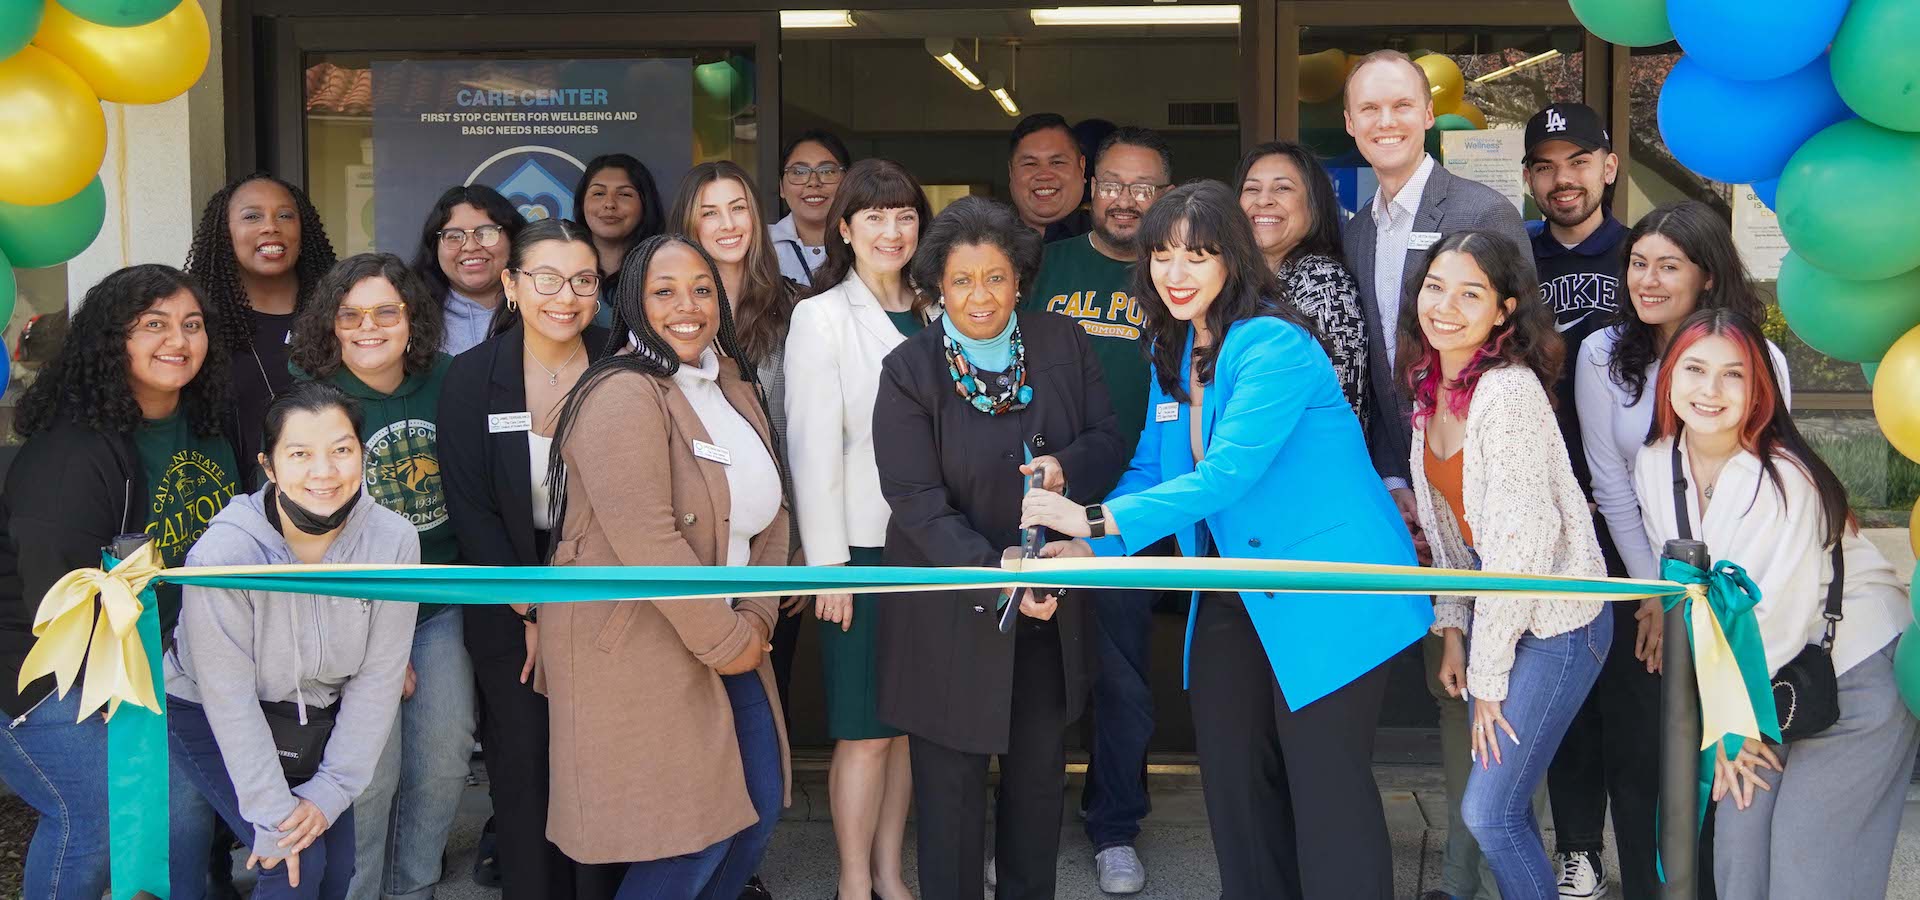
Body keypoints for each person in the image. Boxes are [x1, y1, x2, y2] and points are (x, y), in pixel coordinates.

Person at [1022, 180, 1432, 900]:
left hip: (1327, 595)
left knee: (1326, 793)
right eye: (1161, 256)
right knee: (1237, 794)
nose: (1175, 274)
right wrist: (1090, 552)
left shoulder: (1274, 342)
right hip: (1231, 591)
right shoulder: (1175, 346)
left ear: (1233, 262)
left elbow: (1228, 474)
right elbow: (1151, 468)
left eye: (1197, 256)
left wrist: (1088, 522)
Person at [874, 196, 1126, 900]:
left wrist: (1065, 466)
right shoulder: (910, 369)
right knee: (949, 799)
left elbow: (1109, 439)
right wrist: (1001, 572)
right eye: (961, 281)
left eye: (994, 278)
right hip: (951, 606)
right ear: (937, 288)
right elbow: (916, 502)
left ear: (1019, 279)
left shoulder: (1062, 342)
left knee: (1037, 789)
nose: (979, 296)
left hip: (1047, 605)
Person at [1633, 309, 1917, 900]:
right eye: (1694, 369)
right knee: (1740, 858)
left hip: (1850, 669)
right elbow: (1690, 593)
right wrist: (1731, 728)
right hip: (1755, 683)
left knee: (1808, 869)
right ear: (1669, 377)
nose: (1710, 391)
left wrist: (1728, 730)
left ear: (1759, 387)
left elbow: (1775, 621)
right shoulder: (1657, 462)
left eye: (1733, 375)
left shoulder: (1784, 478)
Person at [1340, 51, 1535, 900]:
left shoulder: (1483, 210)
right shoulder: (1352, 226)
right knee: (1442, 670)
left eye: (1399, 107)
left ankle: (1472, 880)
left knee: (1485, 697)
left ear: (1429, 115)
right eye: (1367, 110)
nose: (1384, 122)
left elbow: (1523, 355)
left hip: (1480, 487)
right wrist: (1394, 478)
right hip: (1399, 489)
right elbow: (1373, 374)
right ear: (1349, 123)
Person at [539, 233, 789, 896]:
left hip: (732, 637)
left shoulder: (730, 381)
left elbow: (773, 507)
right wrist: (730, 639)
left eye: (702, 289)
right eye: (665, 290)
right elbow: (649, 541)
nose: (688, 305)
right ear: (633, 303)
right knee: (688, 841)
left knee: (753, 819)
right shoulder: (622, 392)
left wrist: (758, 617)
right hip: (645, 645)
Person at [0, 265, 238, 900]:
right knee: (100, 815)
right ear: (111, 339)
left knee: (183, 807)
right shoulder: (71, 451)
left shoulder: (213, 421)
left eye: (192, 325)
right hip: (50, 663)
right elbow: (59, 602)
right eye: (153, 325)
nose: (178, 340)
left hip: (168, 658)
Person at [1397, 230, 1610, 900]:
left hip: (1558, 626)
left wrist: (1488, 680)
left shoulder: (1508, 394)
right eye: (1435, 286)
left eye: (1470, 293)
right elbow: (1453, 542)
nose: (1446, 305)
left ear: (1505, 310)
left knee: (1491, 811)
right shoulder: (1430, 389)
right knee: (1493, 810)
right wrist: (1454, 628)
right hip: (1503, 619)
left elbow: (1517, 553)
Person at [166, 381, 421, 899]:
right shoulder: (224, 554)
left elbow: (378, 678)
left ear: (363, 455)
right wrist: (271, 812)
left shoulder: (393, 539)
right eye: (300, 454)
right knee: (293, 862)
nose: (324, 472)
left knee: (339, 867)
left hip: (317, 712)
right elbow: (228, 696)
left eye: (341, 451)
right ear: (269, 465)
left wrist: (332, 791)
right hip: (209, 709)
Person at [438, 219, 613, 899]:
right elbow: (471, 506)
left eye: (582, 280)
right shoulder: (471, 376)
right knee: (524, 760)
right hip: (506, 586)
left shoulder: (620, 361)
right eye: (545, 278)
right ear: (512, 285)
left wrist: (567, 604)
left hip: (604, 590)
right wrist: (531, 606)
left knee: (595, 758)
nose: (563, 296)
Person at [287, 253, 468, 900]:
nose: (370, 327)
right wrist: (376, 647)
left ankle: (412, 887)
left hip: (435, 606)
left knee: (445, 762)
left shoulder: (451, 381)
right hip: (351, 613)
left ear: (411, 319)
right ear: (331, 324)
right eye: (351, 314)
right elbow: (300, 530)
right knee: (369, 776)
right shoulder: (309, 398)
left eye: (386, 312)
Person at [1021, 125, 1172, 894]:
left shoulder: (1176, 276)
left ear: (1166, 198)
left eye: (1144, 188)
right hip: (1043, 504)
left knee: (1120, 681)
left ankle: (1115, 826)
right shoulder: (1047, 265)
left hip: (1127, 514)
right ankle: (1026, 836)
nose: (1126, 200)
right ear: (1089, 186)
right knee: (1039, 681)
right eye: (1112, 183)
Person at [783, 158, 931, 900]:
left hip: (930, 548)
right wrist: (829, 568)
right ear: (844, 228)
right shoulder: (821, 316)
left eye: (904, 214)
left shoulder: (937, 309)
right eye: (873, 215)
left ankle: (889, 872)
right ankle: (850, 879)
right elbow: (811, 449)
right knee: (863, 729)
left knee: (906, 727)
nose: (891, 229)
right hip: (862, 551)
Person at [1516, 102, 1640, 900]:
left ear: (1607, 167)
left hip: (1624, 501)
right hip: (1534, 503)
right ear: (1529, 177)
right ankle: (1579, 850)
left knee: (1628, 688)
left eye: (1577, 160)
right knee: (1560, 685)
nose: (1563, 178)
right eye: (1546, 165)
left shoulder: (1643, 254)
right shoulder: (1512, 257)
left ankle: (1651, 853)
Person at [186, 172, 338, 485]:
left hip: (334, 498)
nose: (271, 226)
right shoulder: (196, 326)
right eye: (252, 216)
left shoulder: (342, 315)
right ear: (224, 232)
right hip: (236, 511)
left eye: (285, 215)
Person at [1234, 140, 1369, 426]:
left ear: (1314, 204)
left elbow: (1338, 406)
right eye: (1252, 189)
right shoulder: (1237, 281)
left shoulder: (1323, 282)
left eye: (1282, 188)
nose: (1264, 200)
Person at [412, 184, 526, 357]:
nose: (471, 246)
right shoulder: (410, 315)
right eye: (454, 236)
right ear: (434, 247)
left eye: (487, 233)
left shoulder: (540, 309)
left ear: (513, 240)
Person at [573, 153, 666, 329]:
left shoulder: (665, 272)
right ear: (582, 202)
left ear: (645, 204)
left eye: (624, 194)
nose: (609, 204)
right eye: (598, 193)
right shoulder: (564, 271)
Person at [770, 130, 852, 285]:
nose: (813, 182)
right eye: (799, 172)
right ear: (781, 187)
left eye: (827, 171)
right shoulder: (760, 245)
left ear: (848, 182)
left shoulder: (868, 244)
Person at [1008, 113, 1092, 241]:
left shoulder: (1110, 240)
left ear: (1082, 167)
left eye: (1057, 162)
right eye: (1030, 164)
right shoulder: (985, 241)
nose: (1044, 175)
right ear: (1011, 171)